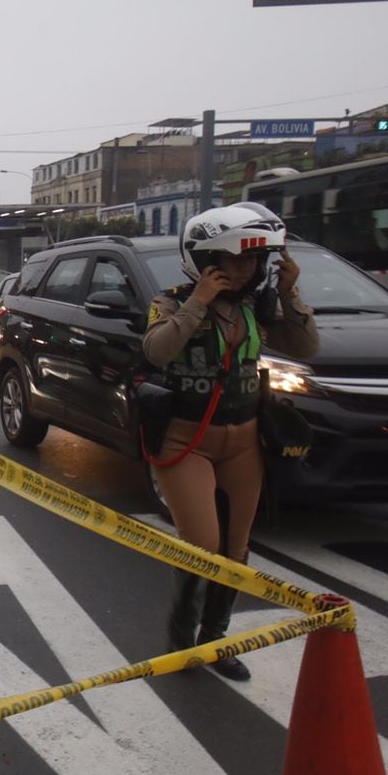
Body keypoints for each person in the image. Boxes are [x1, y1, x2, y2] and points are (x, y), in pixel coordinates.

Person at [145, 203, 318, 682]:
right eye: (233, 259)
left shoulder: (257, 307)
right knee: (203, 545)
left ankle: (216, 641)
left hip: (244, 439)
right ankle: (182, 642)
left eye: (252, 260)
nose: (243, 269)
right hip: (186, 441)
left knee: (236, 550)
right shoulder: (172, 301)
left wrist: (290, 293)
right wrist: (198, 303)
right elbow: (156, 351)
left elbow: (307, 347)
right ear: (204, 260)